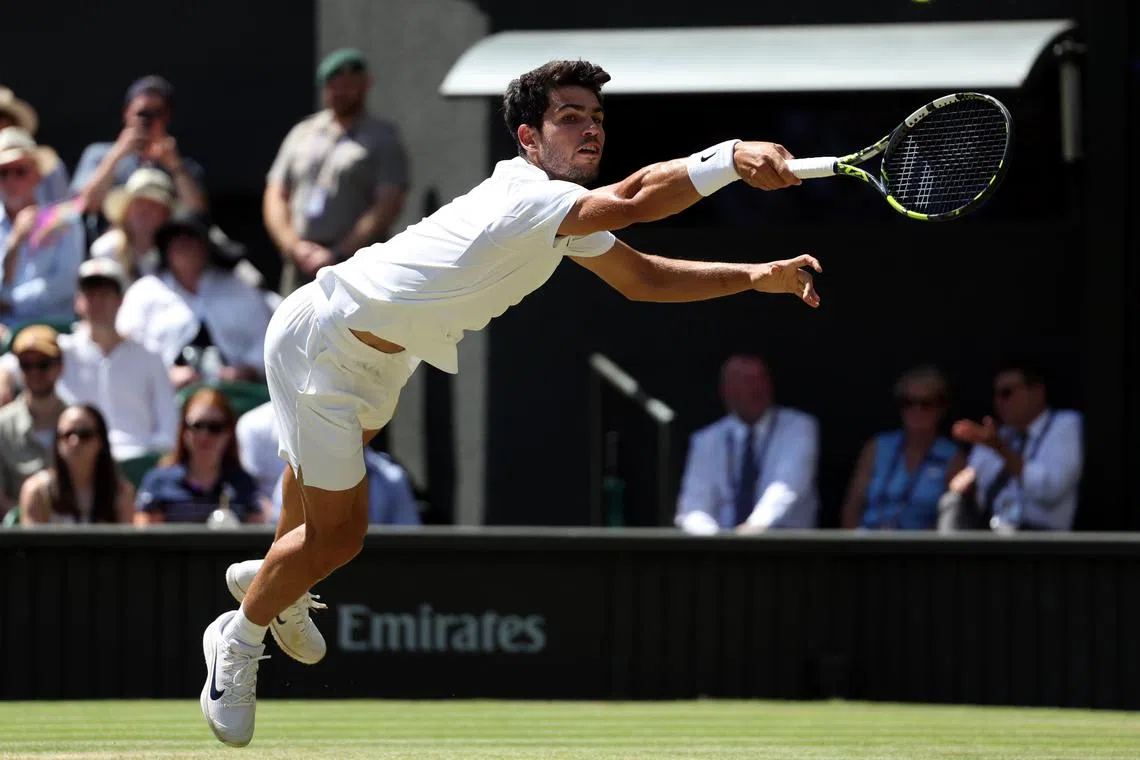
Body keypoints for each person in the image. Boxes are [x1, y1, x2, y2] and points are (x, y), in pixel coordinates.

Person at [200, 59, 820, 747]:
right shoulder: (529, 199)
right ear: (528, 137)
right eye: (570, 118)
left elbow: (645, 279)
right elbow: (641, 194)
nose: (590, 130)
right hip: (324, 341)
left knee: (316, 510)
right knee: (340, 536)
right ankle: (236, 640)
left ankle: (279, 580)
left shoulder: (557, 212)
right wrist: (729, 158)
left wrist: (757, 276)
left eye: (597, 119)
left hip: (381, 354)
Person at [264, 48, 408, 295]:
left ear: (366, 85)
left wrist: (338, 252)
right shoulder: (303, 132)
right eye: (334, 85)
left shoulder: (382, 136)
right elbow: (275, 193)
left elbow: (388, 203)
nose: (342, 92)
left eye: (350, 85)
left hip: (355, 264)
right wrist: (294, 246)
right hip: (300, 262)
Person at [674, 354, 820, 534]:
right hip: (722, 547)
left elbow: (788, 486)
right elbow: (694, 504)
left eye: (759, 380)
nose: (754, 388)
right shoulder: (706, 439)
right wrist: (715, 540)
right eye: (744, 382)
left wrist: (754, 527)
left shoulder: (799, 427)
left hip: (784, 544)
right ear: (726, 391)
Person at [940, 359, 1082, 532]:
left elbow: (1050, 491)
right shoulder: (999, 434)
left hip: (1039, 540)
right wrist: (961, 478)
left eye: (1007, 393)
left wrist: (1000, 449)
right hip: (994, 534)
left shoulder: (1064, 425)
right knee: (951, 503)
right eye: (996, 394)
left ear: (1037, 391)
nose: (999, 401)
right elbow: (967, 484)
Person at [840, 365, 966, 531]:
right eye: (908, 403)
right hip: (868, 543)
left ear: (941, 408)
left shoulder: (952, 457)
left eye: (925, 404)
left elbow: (952, 518)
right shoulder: (877, 447)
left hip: (918, 549)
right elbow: (852, 507)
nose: (916, 410)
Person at [134, 387, 268, 525]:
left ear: (229, 433)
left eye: (215, 427)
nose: (204, 436)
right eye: (197, 426)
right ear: (183, 431)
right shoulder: (158, 482)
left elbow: (256, 535)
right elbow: (145, 538)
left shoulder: (244, 484)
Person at [18, 404, 134, 524]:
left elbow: (125, 541)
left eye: (84, 435)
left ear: (101, 442)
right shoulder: (37, 492)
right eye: (67, 435)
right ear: (57, 442)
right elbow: (31, 542)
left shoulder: (121, 493)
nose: (75, 442)